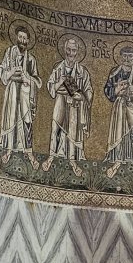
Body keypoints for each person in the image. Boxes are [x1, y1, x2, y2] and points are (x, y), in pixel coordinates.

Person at [42, 36, 93, 176]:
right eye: (69, 50)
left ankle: (72, 161)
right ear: (65, 50)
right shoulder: (58, 68)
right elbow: (51, 87)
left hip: (75, 106)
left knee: (72, 132)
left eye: (74, 50)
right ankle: (51, 157)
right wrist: (60, 82)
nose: (71, 53)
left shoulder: (82, 72)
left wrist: (81, 96)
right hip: (60, 102)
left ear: (77, 52)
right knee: (55, 129)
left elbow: (88, 91)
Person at [103, 46, 133, 181]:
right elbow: (108, 91)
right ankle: (117, 163)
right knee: (119, 134)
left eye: (130, 56)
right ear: (120, 57)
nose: (127, 59)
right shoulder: (114, 73)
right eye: (125, 56)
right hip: (120, 108)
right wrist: (117, 90)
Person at [0, 25, 41, 167]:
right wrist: (11, 73)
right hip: (12, 92)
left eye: (24, 38)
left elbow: (37, 81)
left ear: (28, 40)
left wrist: (27, 78)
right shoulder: (9, 52)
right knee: (11, 118)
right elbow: (2, 70)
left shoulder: (31, 60)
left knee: (26, 122)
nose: (22, 40)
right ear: (17, 38)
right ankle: (9, 150)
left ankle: (28, 152)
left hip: (25, 94)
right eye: (20, 37)